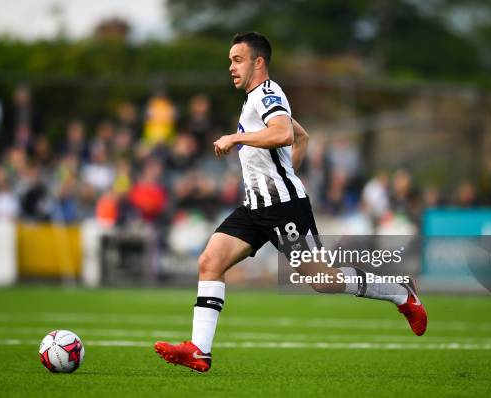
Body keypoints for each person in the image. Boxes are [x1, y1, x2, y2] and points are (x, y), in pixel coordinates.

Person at [154, 32, 427, 372]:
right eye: (229, 61)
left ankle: (401, 292)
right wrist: (284, 171)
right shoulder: (255, 97)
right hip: (255, 207)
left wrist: (237, 137)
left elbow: (284, 133)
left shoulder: (267, 92)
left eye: (237, 60)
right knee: (210, 260)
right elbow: (301, 136)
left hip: (284, 209)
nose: (231, 67)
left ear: (259, 62)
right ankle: (199, 350)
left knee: (323, 281)